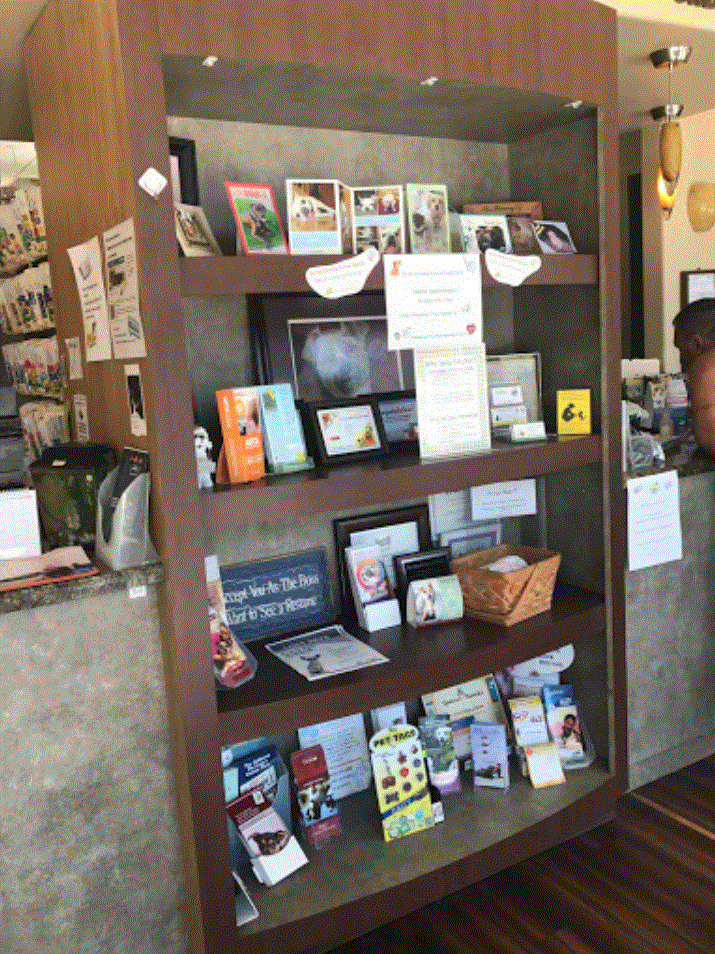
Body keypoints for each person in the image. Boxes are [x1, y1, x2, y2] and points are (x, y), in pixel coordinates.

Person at [672, 297, 715, 456]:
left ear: (697, 343)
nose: (681, 359)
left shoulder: (705, 367)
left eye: (681, 349)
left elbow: (709, 438)